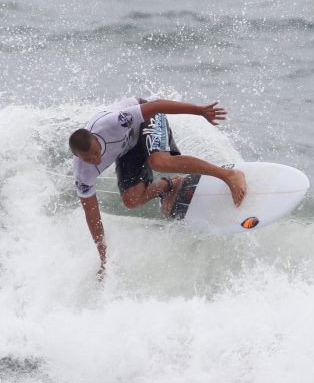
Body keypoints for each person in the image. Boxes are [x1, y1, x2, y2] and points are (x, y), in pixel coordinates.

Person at [69, 97, 246, 280]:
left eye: (97, 153)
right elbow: (92, 215)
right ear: (77, 156)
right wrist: (103, 258)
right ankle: (168, 186)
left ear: (96, 140)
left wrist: (200, 111)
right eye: (89, 159)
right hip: (128, 146)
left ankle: (229, 175)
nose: (96, 160)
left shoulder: (113, 123)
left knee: (158, 161)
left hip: (147, 119)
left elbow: (156, 105)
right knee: (131, 200)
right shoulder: (83, 174)